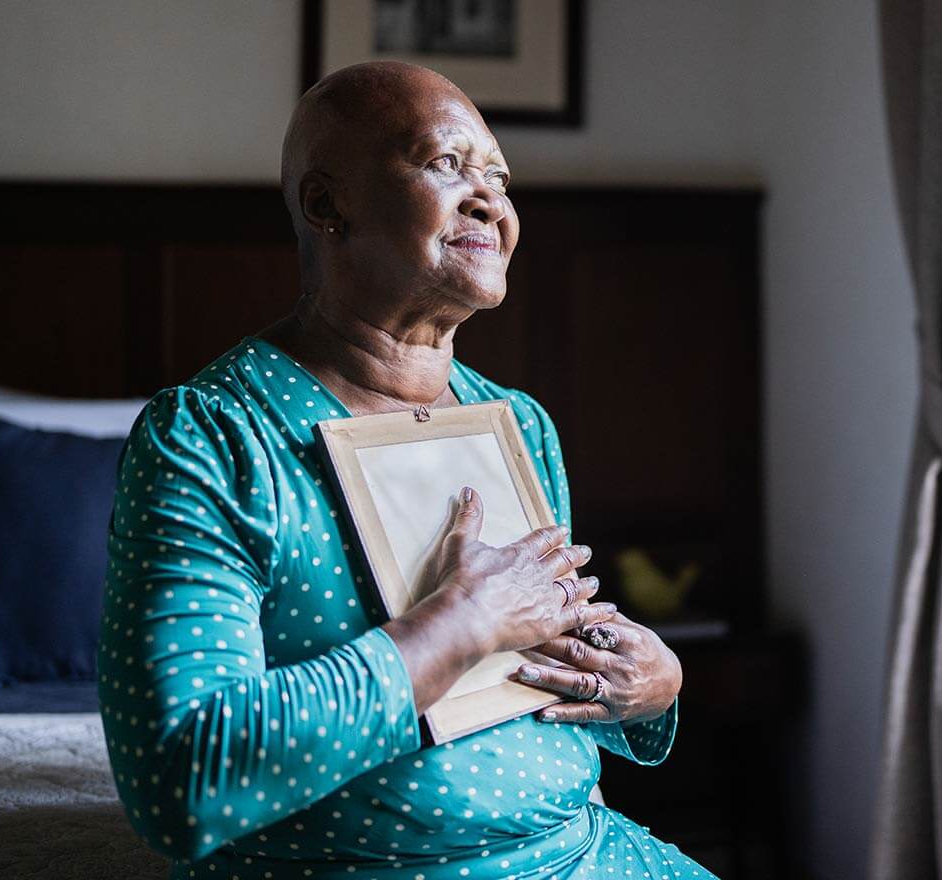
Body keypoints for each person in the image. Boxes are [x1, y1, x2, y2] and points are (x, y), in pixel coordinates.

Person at [97, 61, 715, 879]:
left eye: (498, 176)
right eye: (444, 164)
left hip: (585, 853)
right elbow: (182, 776)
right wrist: (460, 624)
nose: (490, 199)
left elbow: (532, 676)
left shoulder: (518, 424)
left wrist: (644, 684)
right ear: (327, 204)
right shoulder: (212, 436)